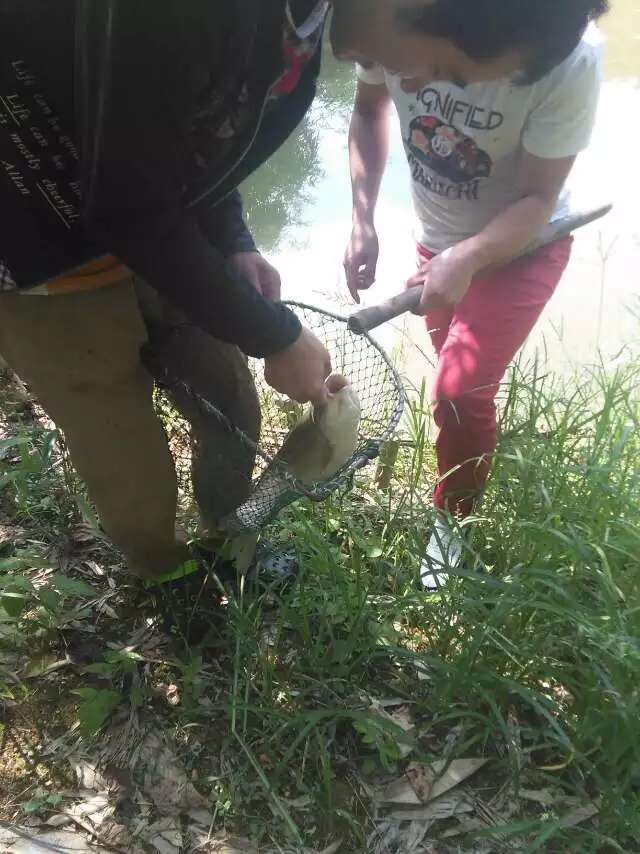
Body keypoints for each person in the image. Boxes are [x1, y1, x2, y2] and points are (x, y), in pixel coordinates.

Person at [342, 0, 607, 587]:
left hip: (521, 245)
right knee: (460, 383)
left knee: (458, 391)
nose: (413, 84)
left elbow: (538, 199)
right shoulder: (391, 19)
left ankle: (452, 522)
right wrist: (362, 216)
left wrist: (468, 257)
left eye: (448, 75)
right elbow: (367, 107)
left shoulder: (567, 56)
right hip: (436, 243)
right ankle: (472, 448)